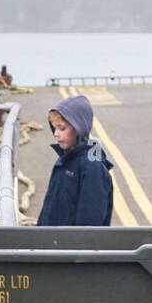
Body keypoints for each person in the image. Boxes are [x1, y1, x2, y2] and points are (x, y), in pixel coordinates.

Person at [37, 95, 114, 229]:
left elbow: (89, 225)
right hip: (53, 243)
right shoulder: (65, 159)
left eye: (62, 128)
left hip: (69, 247)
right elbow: (49, 208)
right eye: (54, 128)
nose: (56, 134)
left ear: (79, 128)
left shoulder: (92, 168)